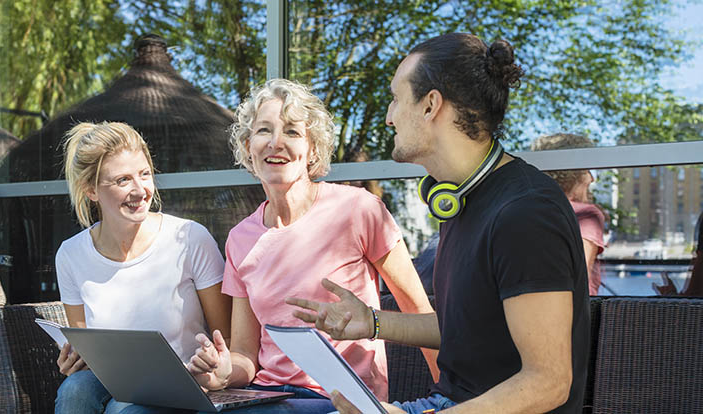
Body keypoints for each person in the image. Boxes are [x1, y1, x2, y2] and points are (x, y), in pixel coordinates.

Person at [288, 33, 590, 413]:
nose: (389, 116)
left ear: (431, 105)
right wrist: (372, 322)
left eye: (397, 99)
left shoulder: (526, 212)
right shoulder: (463, 201)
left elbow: (549, 383)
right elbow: (466, 330)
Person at [186, 79, 436, 413]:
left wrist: (447, 394)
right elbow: (245, 355)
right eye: (264, 131)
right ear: (248, 146)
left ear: (313, 149)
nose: (276, 143)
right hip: (267, 395)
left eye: (292, 132)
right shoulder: (240, 239)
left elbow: (417, 310)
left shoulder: (358, 209)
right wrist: (222, 372)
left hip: (339, 397)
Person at [54, 121, 232, 414]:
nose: (141, 190)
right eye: (123, 180)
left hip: (185, 386)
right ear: (91, 190)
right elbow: (85, 347)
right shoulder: (71, 255)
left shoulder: (190, 238)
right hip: (113, 382)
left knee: (123, 411)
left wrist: (211, 362)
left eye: (145, 174)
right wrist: (74, 360)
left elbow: (225, 340)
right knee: (75, 390)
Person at [532, 133, 608, 295]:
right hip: (572, 314)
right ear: (574, 175)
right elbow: (579, 280)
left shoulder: (528, 209)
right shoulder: (587, 215)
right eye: (587, 170)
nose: (592, 178)